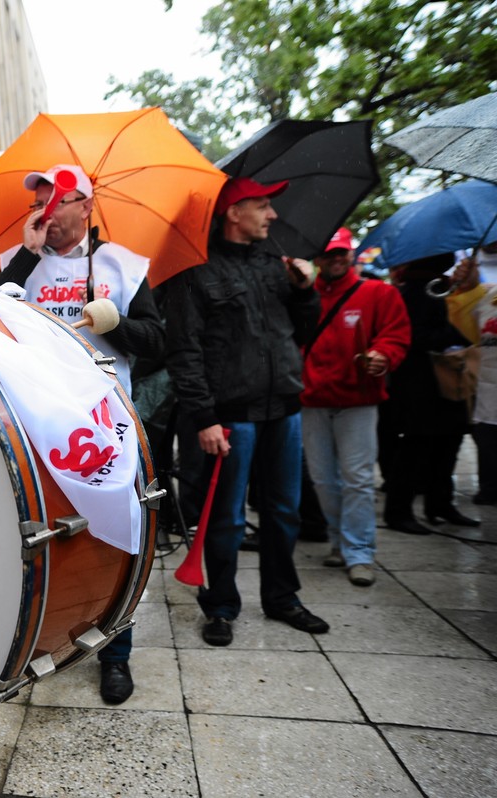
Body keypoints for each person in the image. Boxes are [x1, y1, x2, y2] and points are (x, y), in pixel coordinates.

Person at [0, 164, 165, 705]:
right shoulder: (17, 268)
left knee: (120, 530)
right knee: (40, 533)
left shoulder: (123, 266)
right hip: (38, 426)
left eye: (58, 198)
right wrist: (25, 255)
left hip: (107, 423)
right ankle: (41, 637)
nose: (46, 208)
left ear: (86, 207)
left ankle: (116, 652)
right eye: (38, 199)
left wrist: (117, 325)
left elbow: (158, 341)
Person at [162, 176, 328, 647]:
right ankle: (220, 605)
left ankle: (282, 598)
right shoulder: (197, 271)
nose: (272, 215)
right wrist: (204, 418)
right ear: (234, 212)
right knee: (228, 517)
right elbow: (184, 351)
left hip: (284, 408)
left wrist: (304, 291)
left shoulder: (277, 266)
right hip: (232, 415)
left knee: (284, 510)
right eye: (262, 206)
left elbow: (302, 329)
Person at [300, 228, 410, 587]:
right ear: (317, 257)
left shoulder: (379, 292)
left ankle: (359, 552)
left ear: (350, 254)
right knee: (323, 479)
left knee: (358, 479)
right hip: (312, 401)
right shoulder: (302, 296)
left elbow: (395, 335)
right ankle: (339, 543)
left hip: (358, 402)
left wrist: (383, 356)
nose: (336, 259)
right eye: (329, 253)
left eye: (341, 253)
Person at [380, 253, 480, 531]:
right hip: (421, 383)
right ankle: (400, 512)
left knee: (447, 444)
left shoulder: (438, 286)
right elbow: (415, 335)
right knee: (417, 448)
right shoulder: (420, 290)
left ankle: (440, 505)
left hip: (443, 380)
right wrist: (454, 336)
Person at [446, 254, 496, 505]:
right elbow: (459, 326)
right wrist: (465, 287)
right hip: (488, 392)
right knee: (488, 445)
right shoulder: (488, 296)